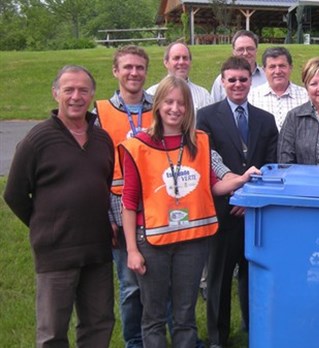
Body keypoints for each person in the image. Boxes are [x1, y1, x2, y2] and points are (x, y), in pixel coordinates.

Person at [120, 75, 259, 348]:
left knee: (185, 315)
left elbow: (214, 187)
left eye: (181, 103)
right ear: (158, 105)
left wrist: (241, 179)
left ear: (189, 108)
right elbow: (128, 201)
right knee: (154, 316)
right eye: (169, 102)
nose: (175, 109)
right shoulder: (138, 146)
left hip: (192, 241)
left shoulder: (200, 142)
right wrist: (132, 250)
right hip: (152, 241)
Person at [3, 65, 115, 347]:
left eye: (83, 90)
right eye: (69, 90)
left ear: (92, 95)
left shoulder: (102, 140)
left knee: (99, 324)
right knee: (53, 333)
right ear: (56, 94)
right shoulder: (37, 140)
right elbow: (14, 194)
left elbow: (104, 185)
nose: (76, 96)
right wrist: (45, 225)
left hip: (97, 249)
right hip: (56, 252)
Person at [196, 56, 278, 348]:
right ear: (222, 81)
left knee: (252, 275)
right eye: (231, 79)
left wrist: (249, 199)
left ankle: (253, 330)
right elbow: (207, 160)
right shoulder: (205, 116)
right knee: (218, 278)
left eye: (243, 79)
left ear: (250, 81)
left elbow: (271, 164)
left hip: (255, 213)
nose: (237, 84)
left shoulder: (265, 120)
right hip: (221, 212)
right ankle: (218, 338)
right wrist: (235, 193)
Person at [93, 45, 153, 348]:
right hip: (118, 206)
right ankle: (134, 341)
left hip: (157, 205)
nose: (134, 73)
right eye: (127, 67)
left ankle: (159, 338)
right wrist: (105, 217)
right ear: (116, 71)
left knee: (159, 283)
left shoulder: (159, 107)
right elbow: (92, 170)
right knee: (130, 284)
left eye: (139, 67)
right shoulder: (101, 113)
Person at [248, 46, 308, 130]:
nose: (278, 71)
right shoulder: (251, 97)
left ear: (290, 68)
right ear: (264, 70)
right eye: (272, 67)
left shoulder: (306, 96)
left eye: (282, 66)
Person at [147, 41, 214, 114]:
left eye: (185, 58)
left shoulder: (203, 96)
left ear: (190, 62)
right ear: (166, 62)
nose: (181, 62)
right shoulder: (152, 94)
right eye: (176, 58)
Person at [211, 30, 267, 102]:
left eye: (250, 48)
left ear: (256, 50)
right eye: (240, 49)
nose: (245, 53)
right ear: (233, 52)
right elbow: (213, 109)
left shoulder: (266, 78)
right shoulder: (221, 80)